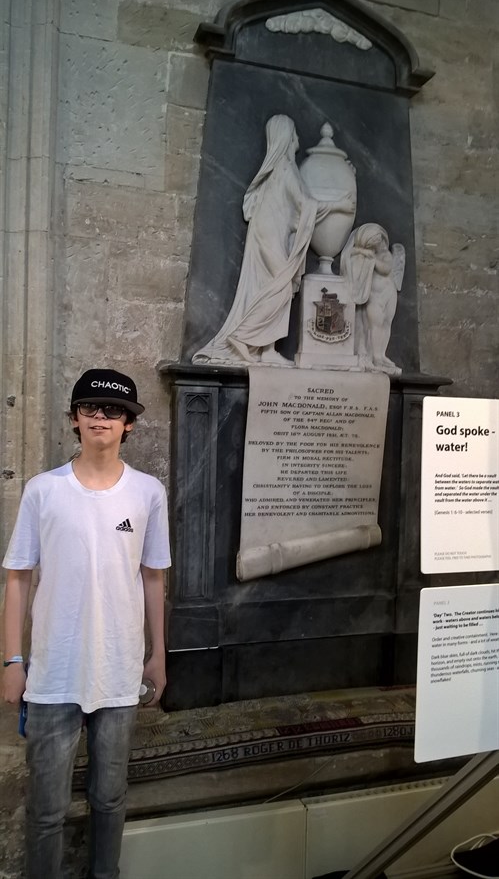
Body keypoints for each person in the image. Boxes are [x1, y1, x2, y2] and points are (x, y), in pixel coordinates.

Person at [2, 368, 171, 879]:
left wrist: (157, 654)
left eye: (113, 410)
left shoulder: (147, 493)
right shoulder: (42, 490)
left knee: (109, 799)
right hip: (52, 675)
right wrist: (13, 659)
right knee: (47, 810)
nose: (101, 417)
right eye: (91, 408)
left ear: (129, 425)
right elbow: (16, 579)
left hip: (119, 674)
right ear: (74, 418)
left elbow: (153, 579)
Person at [193, 114, 354, 367]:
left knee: (275, 286)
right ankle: (245, 337)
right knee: (280, 287)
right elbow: (305, 204)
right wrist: (340, 204)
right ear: (287, 137)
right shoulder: (285, 168)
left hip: (268, 234)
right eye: (295, 134)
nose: (298, 139)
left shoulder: (277, 171)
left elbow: (290, 211)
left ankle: (265, 348)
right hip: (270, 237)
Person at [340, 223, 405, 375]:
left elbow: (386, 269)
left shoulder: (387, 254)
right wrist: (364, 252)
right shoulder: (365, 254)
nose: (376, 244)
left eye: (377, 240)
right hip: (373, 296)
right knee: (375, 324)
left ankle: (381, 354)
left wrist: (372, 259)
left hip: (389, 293)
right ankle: (375, 356)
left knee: (386, 323)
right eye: (371, 242)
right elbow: (349, 254)